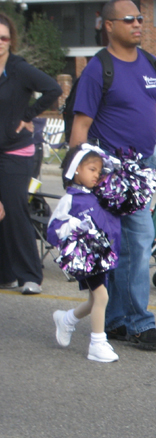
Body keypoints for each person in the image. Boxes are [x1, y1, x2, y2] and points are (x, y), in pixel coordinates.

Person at [70, 0, 156, 350]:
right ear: (109, 25)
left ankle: (116, 319)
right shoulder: (98, 69)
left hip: (142, 168)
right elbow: (80, 127)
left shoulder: (151, 64)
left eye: (140, 18)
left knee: (126, 246)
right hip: (110, 170)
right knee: (137, 239)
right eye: (129, 19)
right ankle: (139, 323)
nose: (138, 24)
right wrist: (77, 178)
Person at [0, 12, 62, 295]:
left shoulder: (19, 69)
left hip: (16, 151)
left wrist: (28, 115)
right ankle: (6, 274)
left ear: (11, 40)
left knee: (13, 209)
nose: (0, 42)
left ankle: (30, 275)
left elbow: (53, 89)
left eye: (4, 37)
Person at [48, 145, 122, 363]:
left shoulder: (97, 195)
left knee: (94, 300)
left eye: (98, 171)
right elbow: (53, 228)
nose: (96, 175)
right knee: (102, 297)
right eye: (91, 169)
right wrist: (73, 226)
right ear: (76, 169)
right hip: (86, 257)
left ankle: (66, 319)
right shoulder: (70, 199)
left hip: (103, 256)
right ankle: (97, 344)